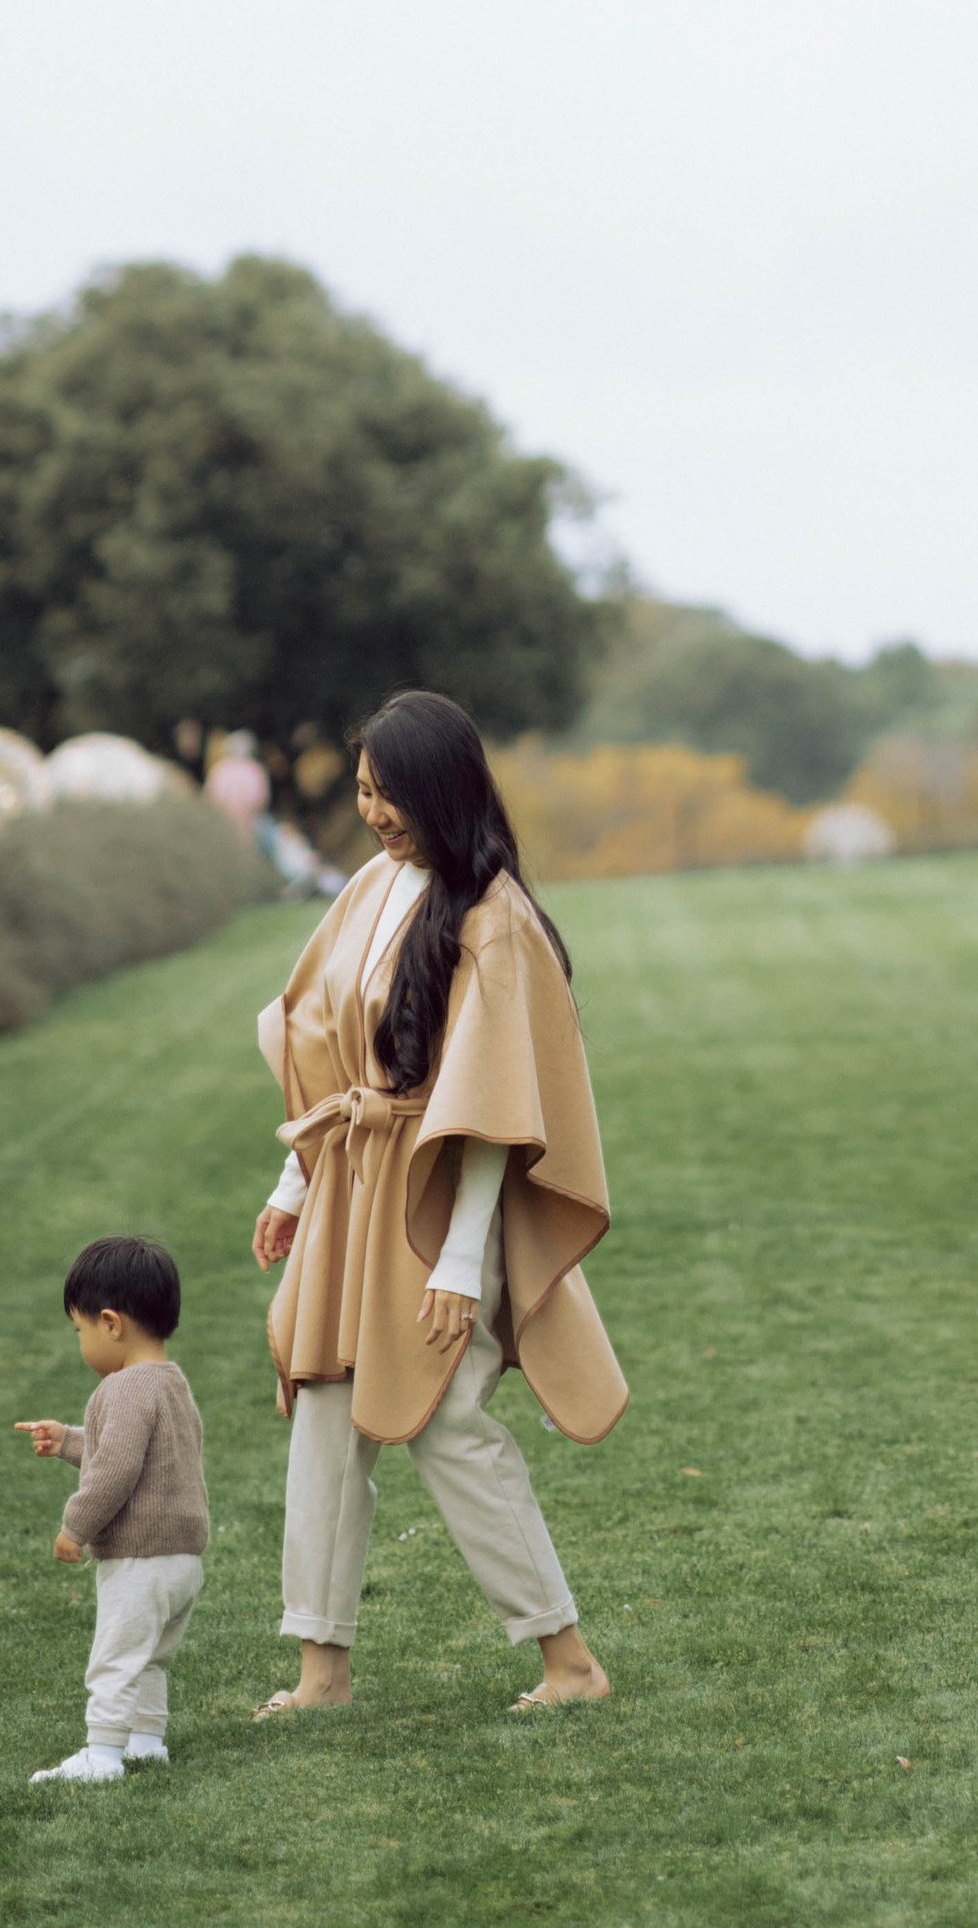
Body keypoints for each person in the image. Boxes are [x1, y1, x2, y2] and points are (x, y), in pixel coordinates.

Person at [251, 690, 625, 1716]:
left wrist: (464, 1261)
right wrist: (294, 1184)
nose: (374, 810)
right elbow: (324, 1041)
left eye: (392, 791)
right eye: (364, 789)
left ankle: (570, 1659)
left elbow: (497, 1108)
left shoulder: (495, 921)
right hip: (353, 1191)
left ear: (441, 787)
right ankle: (320, 1669)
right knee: (325, 1409)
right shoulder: (370, 887)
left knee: (449, 1418)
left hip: (437, 1201)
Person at [15, 1235, 210, 1782]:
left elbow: (117, 1470)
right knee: (150, 1657)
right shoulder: (172, 1383)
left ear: (111, 1323)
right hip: (182, 1561)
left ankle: (101, 1754)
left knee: (116, 1656)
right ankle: (147, 1740)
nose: (81, 1342)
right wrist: (69, 1441)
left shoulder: (122, 1389)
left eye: (80, 1330)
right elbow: (144, 1454)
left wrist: (75, 1527)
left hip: (139, 1561)